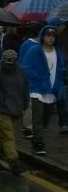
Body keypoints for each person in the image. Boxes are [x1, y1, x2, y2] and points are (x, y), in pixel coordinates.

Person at [21, 25, 65, 156]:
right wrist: (39, 78)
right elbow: (26, 68)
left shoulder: (58, 52)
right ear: (43, 36)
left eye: (53, 36)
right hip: (37, 89)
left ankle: (36, 138)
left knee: (46, 119)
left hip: (52, 91)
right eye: (48, 35)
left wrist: (60, 86)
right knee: (37, 118)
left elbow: (61, 71)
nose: (51, 38)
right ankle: (38, 144)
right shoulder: (35, 50)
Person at [0, 50, 29, 175]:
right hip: (3, 109)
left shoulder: (21, 72)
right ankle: (14, 161)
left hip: (17, 108)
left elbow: (25, 88)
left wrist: (25, 104)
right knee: (8, 135)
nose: (9, 63)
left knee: (3, 135)